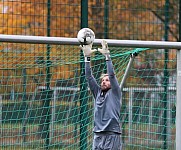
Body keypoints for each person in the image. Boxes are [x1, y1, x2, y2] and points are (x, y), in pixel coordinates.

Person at [80, 40, 122, 150]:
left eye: (107, 80)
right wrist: (87, 58)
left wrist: (107, 56)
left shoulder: (115, 92)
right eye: (103, 80)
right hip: (98, 134)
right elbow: (89, 76)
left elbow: (112, 76)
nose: (104, 81)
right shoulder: (97, 92)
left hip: (112, 134)